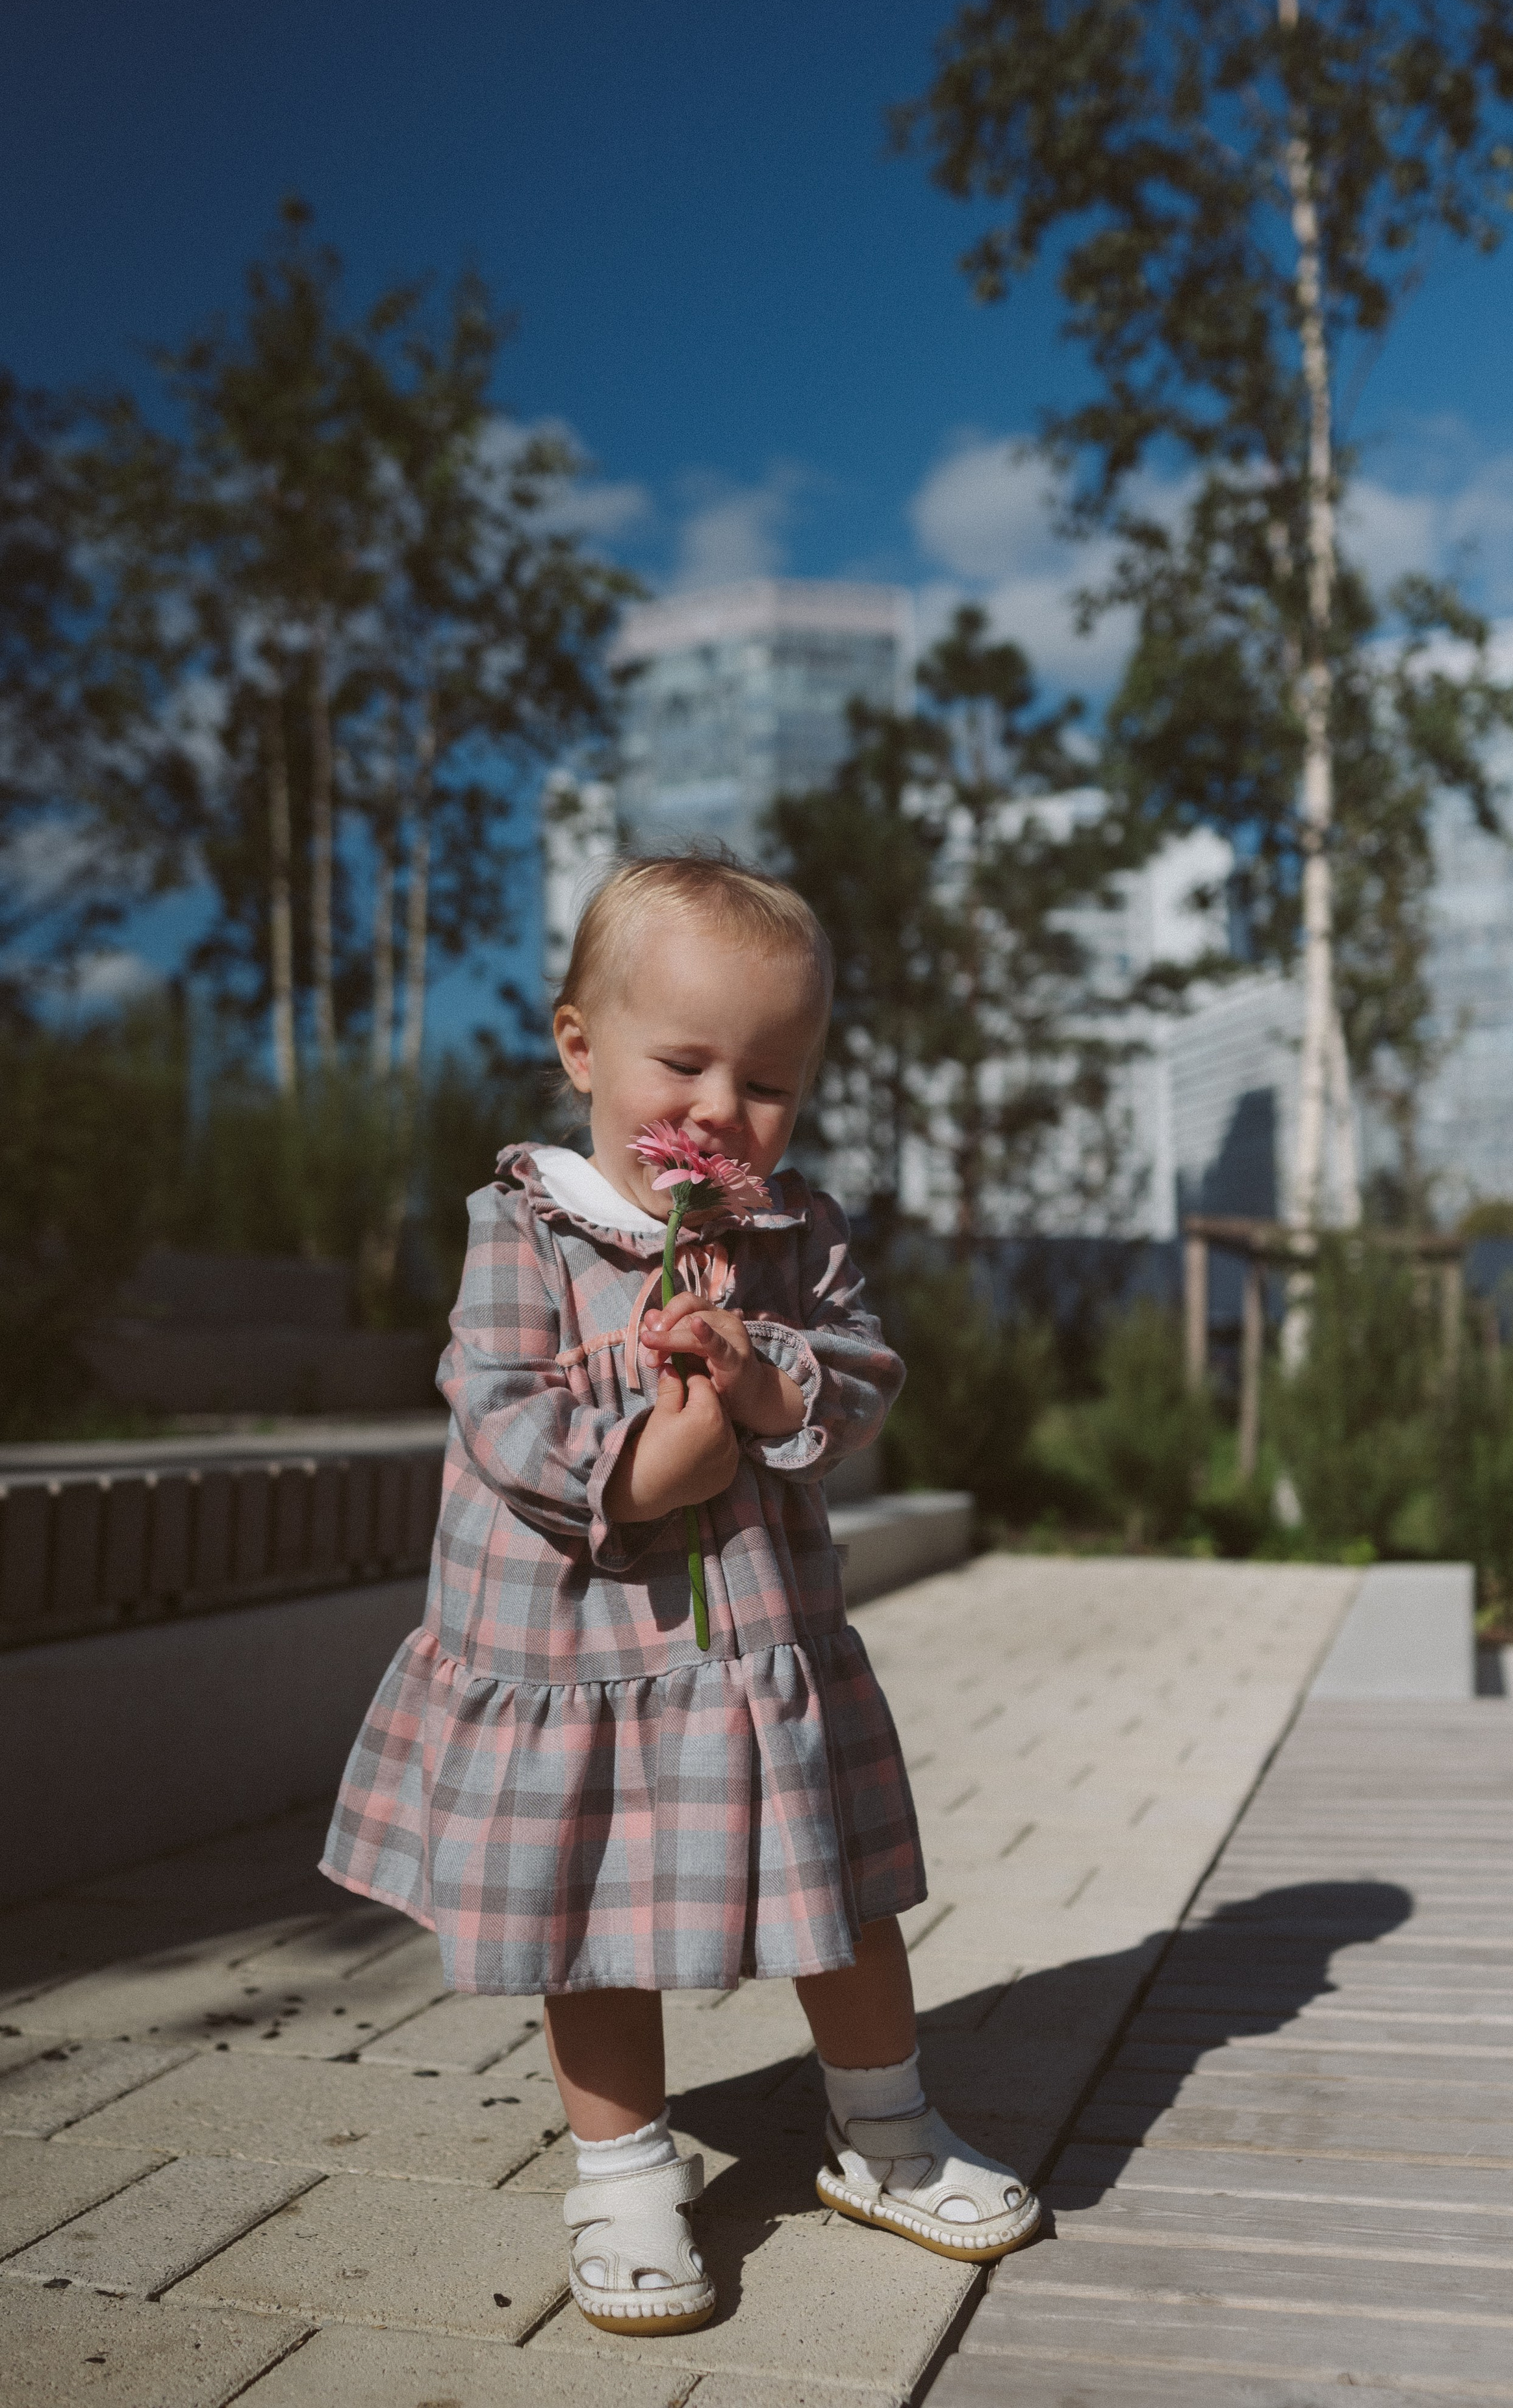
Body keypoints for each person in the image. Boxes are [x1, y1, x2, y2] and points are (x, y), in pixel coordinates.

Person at [322, 851, 1038, 2336]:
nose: (719, 1112)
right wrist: (652, 1464)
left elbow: (859, 1366)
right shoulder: (522, 1227)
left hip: (758, 1648)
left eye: (767, 1083)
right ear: (581, 1047)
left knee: (840, 1895)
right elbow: (501, 1411)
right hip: (571, 1656)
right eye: (684, 1065)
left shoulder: (790, 1233)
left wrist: (765, 1380)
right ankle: (625, 2168)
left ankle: (884, 2126)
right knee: (588, 1920)